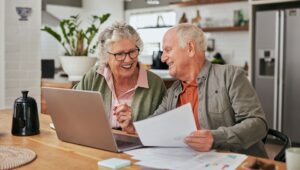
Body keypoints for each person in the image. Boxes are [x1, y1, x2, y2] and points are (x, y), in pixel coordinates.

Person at [116, 23, 268, 157]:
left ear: (189, 48)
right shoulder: (173, 91)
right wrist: (134, 127)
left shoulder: (230, 76)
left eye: (168, 50)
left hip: (238, 163)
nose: (163, 58)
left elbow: (258, 124)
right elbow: (154, 125)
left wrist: (216, 138)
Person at [73, 22, 166, 133]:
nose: (128, 60)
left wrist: (134, 128)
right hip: (96, 145)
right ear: (106, 56)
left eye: (132, 51)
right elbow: (71, 107)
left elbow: (163, 129)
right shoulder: (95, 76)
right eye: (119, 54)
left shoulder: (155, 84)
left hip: (137, 149)